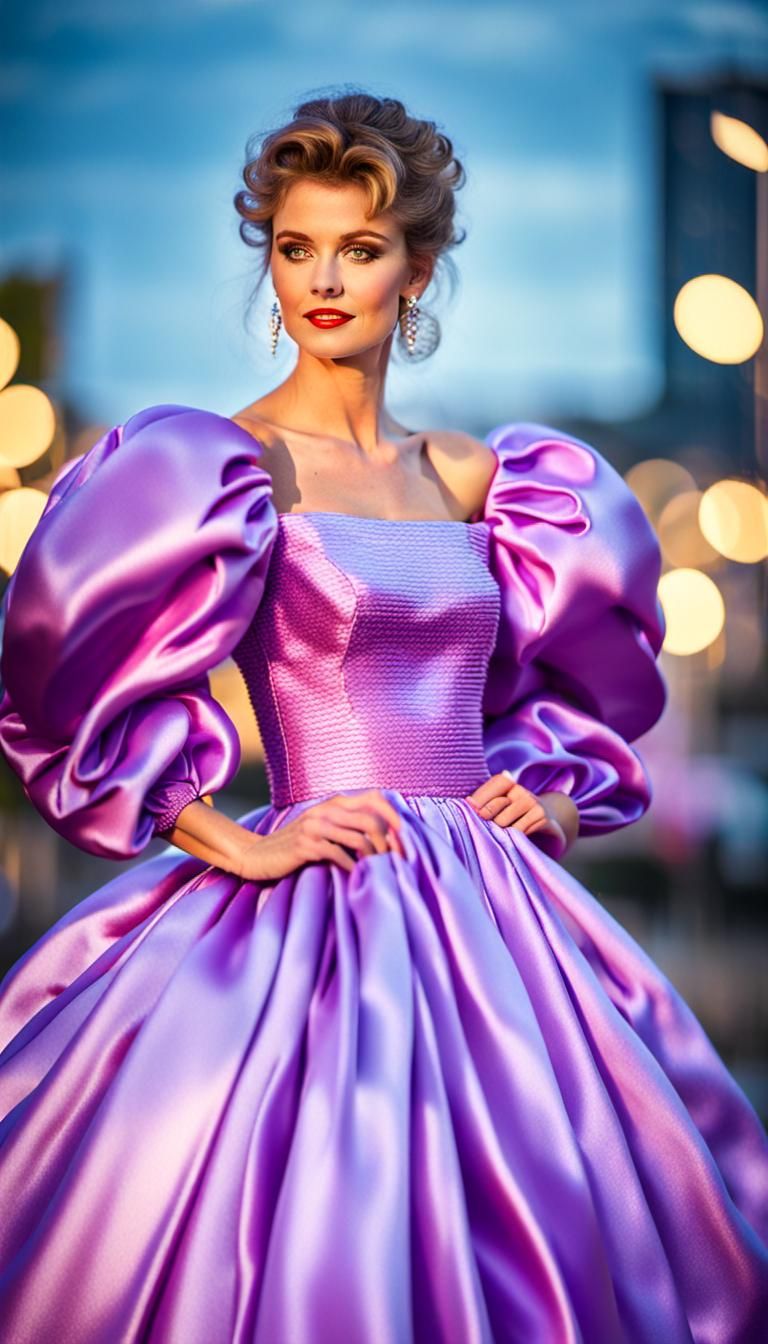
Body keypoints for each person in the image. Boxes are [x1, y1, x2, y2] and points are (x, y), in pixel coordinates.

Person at [0, 89, 766, 1344]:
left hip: (501, 911)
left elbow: (568, 695)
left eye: (358, 248)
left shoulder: (482, 480)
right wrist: (234, 838)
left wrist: (558, 795)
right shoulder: (219, 470)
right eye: (295, 248)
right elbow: (56, 685)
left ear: (418, 267)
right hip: (320, 890)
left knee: (565, 1212)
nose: (322, 279)